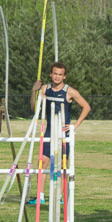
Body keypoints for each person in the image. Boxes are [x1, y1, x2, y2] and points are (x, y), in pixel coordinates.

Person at [28, 62, 91, 206]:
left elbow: (86, 107)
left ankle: (62, 197)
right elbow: (34, 108)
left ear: (64, 76)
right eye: (55, 74)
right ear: (51, 74)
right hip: (49, 131)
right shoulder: (45, 89)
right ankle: (40, 196)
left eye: (60, 74)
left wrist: (75, 125)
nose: (57, 77)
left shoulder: (70, 91)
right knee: (42, 163)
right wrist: (34, 91)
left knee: (63, 164)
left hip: (63, 133)